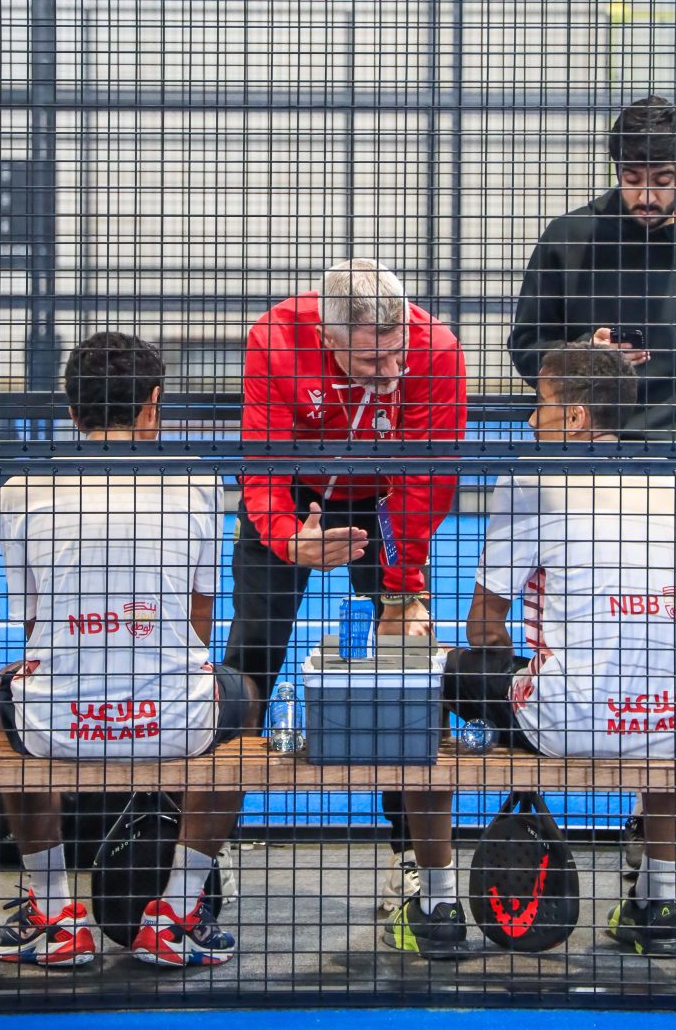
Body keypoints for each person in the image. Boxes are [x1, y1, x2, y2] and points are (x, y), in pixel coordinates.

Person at [508, 94, 676, 874]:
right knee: (574, 634)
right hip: (580, 472)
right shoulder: (569, 240)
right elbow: (526, 348)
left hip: (674, 474)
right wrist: (582, 354)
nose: (647, 196)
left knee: (666, 649)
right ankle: (608, 826)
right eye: (634, 179)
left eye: (661, 180)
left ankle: (657, 833)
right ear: (616, 170)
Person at [0, 332, 256, 971]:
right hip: (177, 721)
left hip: (58, 726)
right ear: (152, 403)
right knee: (245, 698)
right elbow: (199, 619)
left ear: (71, 409)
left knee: (5, 690)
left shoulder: (20, 489)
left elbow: (33, 624)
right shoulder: (197, 485)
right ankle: (179, 912)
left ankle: (55, 913)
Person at [444, 342, 676, 957]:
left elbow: (484, 625)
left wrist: (509, 701)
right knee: (667, 678)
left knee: (430, 675)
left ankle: (431, 894)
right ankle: (656, 902)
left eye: (539, 404)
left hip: (567, 719)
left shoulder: (532, 479)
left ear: (575, 417)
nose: (529, 418)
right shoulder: (674, 479)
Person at [224, 258, 468, 927]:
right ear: (328, 338)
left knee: (406, 672)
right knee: (251, 658)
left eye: (396, 355)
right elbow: (263, 462)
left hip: (386, 498)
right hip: (295, 495)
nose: (389, 373)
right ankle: (211, 845)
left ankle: (417, 859)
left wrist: (401, 589)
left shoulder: (437, 349)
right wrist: (285, 539)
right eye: (369, 360)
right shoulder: (276, 336)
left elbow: (427, 478)